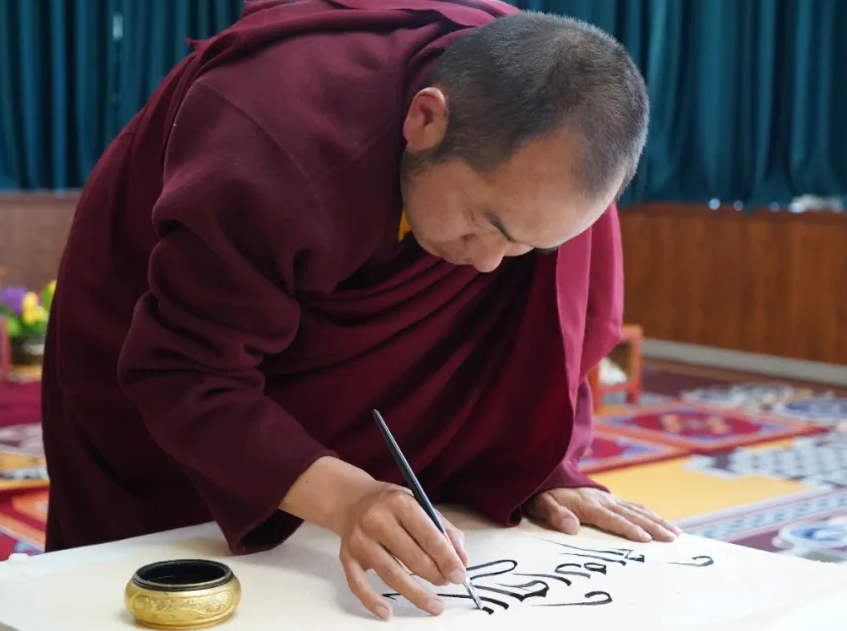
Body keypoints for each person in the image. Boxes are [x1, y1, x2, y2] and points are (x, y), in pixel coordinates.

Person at [41, 0, 679, 620]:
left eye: (528, 246)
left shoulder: (554, 158)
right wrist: (347, 499)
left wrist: (539, 461)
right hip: (163, 346)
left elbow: (543, 333)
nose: (491, 264)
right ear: (426, 120)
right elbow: (180, 370)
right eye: (489, 225)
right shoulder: (277, 129)